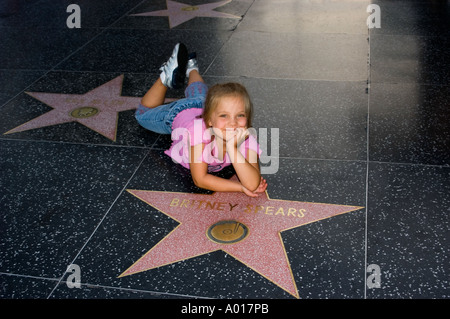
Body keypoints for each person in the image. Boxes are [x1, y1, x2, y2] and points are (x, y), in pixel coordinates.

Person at [135, 43, 267, 197]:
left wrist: (232, 147)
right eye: (224, 116)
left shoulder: (245, 137)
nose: (233, 122)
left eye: (240, 115)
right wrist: (239, 187)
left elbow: (252, 183)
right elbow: (200, 179)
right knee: (142, 114)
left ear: (248, 117)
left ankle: (191, 67)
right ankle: (165, 77)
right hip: (180, 111)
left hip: (205, 103)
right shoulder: (198, 133)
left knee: (200, 95)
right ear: (209, 121)